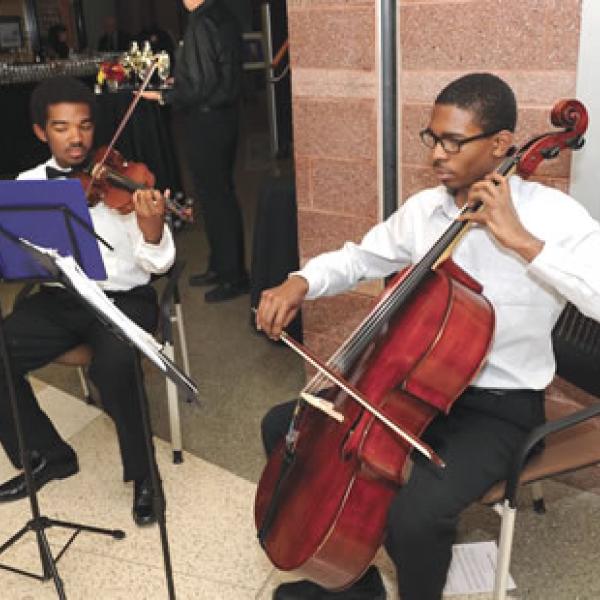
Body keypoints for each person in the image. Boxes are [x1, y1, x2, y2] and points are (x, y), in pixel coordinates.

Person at [255, 72, 600, 600]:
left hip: (499, 409)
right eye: (432, 138)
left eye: (453, 141)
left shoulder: (553, 216)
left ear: (501, 145)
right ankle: (354, 580)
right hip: (411, 391)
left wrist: (526, 244)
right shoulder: (427, 211)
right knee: (287, 428)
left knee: (414, 518)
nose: (437, 154)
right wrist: (301, 281)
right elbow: (360, 258)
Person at [0, 76, 175, 527]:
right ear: (42, 132)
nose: (75, 137)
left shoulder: (130, 179)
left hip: (124, 299)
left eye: (84, 126)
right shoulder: (28, 184)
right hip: (63, 297)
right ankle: (47, 455)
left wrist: (153, 229)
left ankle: (144, 476)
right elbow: (20, 252)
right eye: (61, 127)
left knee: (113, 367)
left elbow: (159, 263)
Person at [140, 0, 248, 303]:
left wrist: (162, 94)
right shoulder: (223, 14)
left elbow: (200, 86)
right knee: (219, 195)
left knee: (217, 198)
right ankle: (222, 266)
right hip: (223, 118)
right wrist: (182, 80)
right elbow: (214, 71)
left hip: (206, 120)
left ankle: (233, 276)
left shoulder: (200, 21)